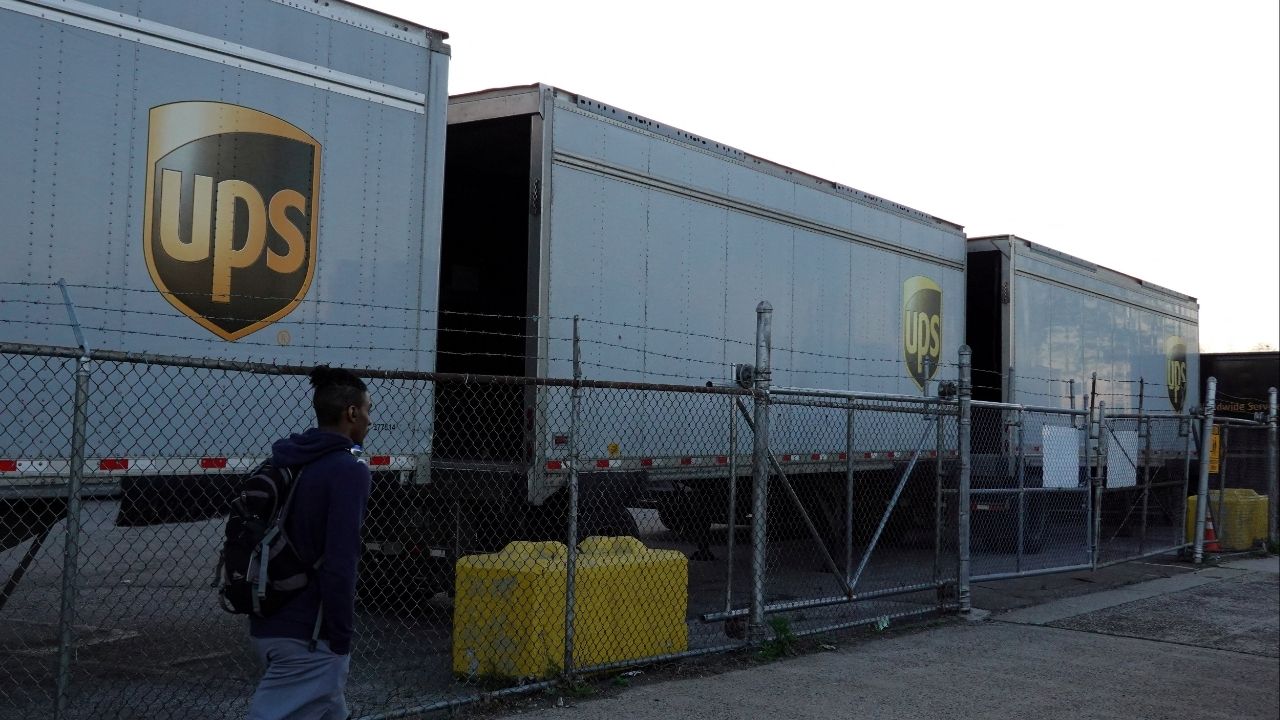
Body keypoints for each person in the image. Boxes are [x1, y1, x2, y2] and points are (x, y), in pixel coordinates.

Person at [247, 366, 372, 720]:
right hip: (309, 636)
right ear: (351, 413)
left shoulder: (289, 457)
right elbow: (340, 562)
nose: (369, 420)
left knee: (331, 710)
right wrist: (341, 636)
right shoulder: (349, 471)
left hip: (269, 620)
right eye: (368, 409)